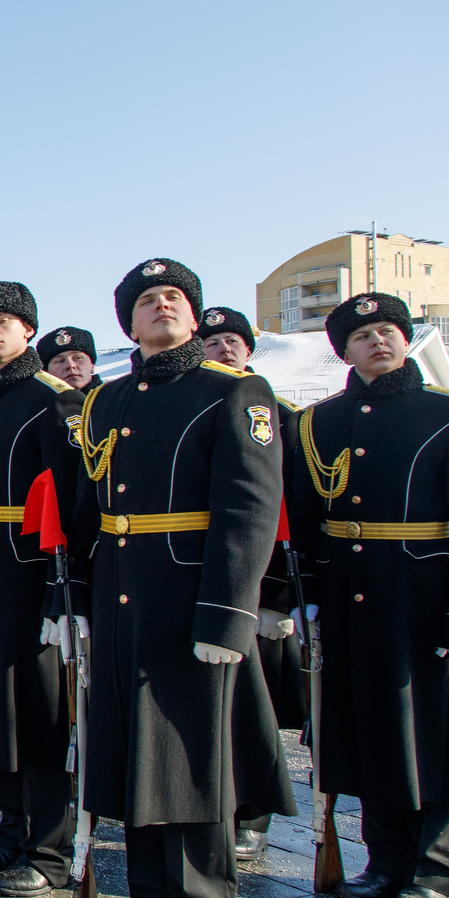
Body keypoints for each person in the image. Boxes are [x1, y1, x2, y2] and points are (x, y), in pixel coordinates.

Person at [71, 259, 280, 898]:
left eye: (174, 298)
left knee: (192, 760)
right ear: (128, 323)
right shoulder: (109, 399)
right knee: (135, 753)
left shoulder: (233, 390)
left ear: (194, 317)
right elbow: (89, 509)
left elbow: (249, 511)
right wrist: (78, 601)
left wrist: (228, 617)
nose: (161, 307)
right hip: (124, 589)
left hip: (192, 595)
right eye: (146, 301)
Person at [293, 293, 449, 898]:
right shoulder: (318, 423)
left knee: (435, 735)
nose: (377, 342)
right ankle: (383, 863)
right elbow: (307, 523)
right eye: (362, 336)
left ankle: (433, 874)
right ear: (344, 351)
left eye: (388, 331)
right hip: (352, 599)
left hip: (427, 598)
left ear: (406, 340)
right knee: (372, 734)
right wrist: (306, 601)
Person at [0, 282, 85, 897]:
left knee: (40, 711)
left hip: (32, 576)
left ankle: (48, 849)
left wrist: (67, 594)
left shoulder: (57, 400)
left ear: (28, 329)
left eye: (3, 322)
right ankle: (9, 833)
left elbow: (80, 504)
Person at [198, 306, 302, 862]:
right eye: (212, 342)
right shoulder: (193, 400)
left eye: (233, 341)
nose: (223, 350)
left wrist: (279, 594)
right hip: (193, 570)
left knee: (247, 705)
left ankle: (252, 810)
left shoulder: (277, 414)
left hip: (249, 583)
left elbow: (283, 512)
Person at [36, 326, 99, 391]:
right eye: (60, 361)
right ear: (47, 372)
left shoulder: (109, 398)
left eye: (78, 358)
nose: (70, 365)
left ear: (92, 366)